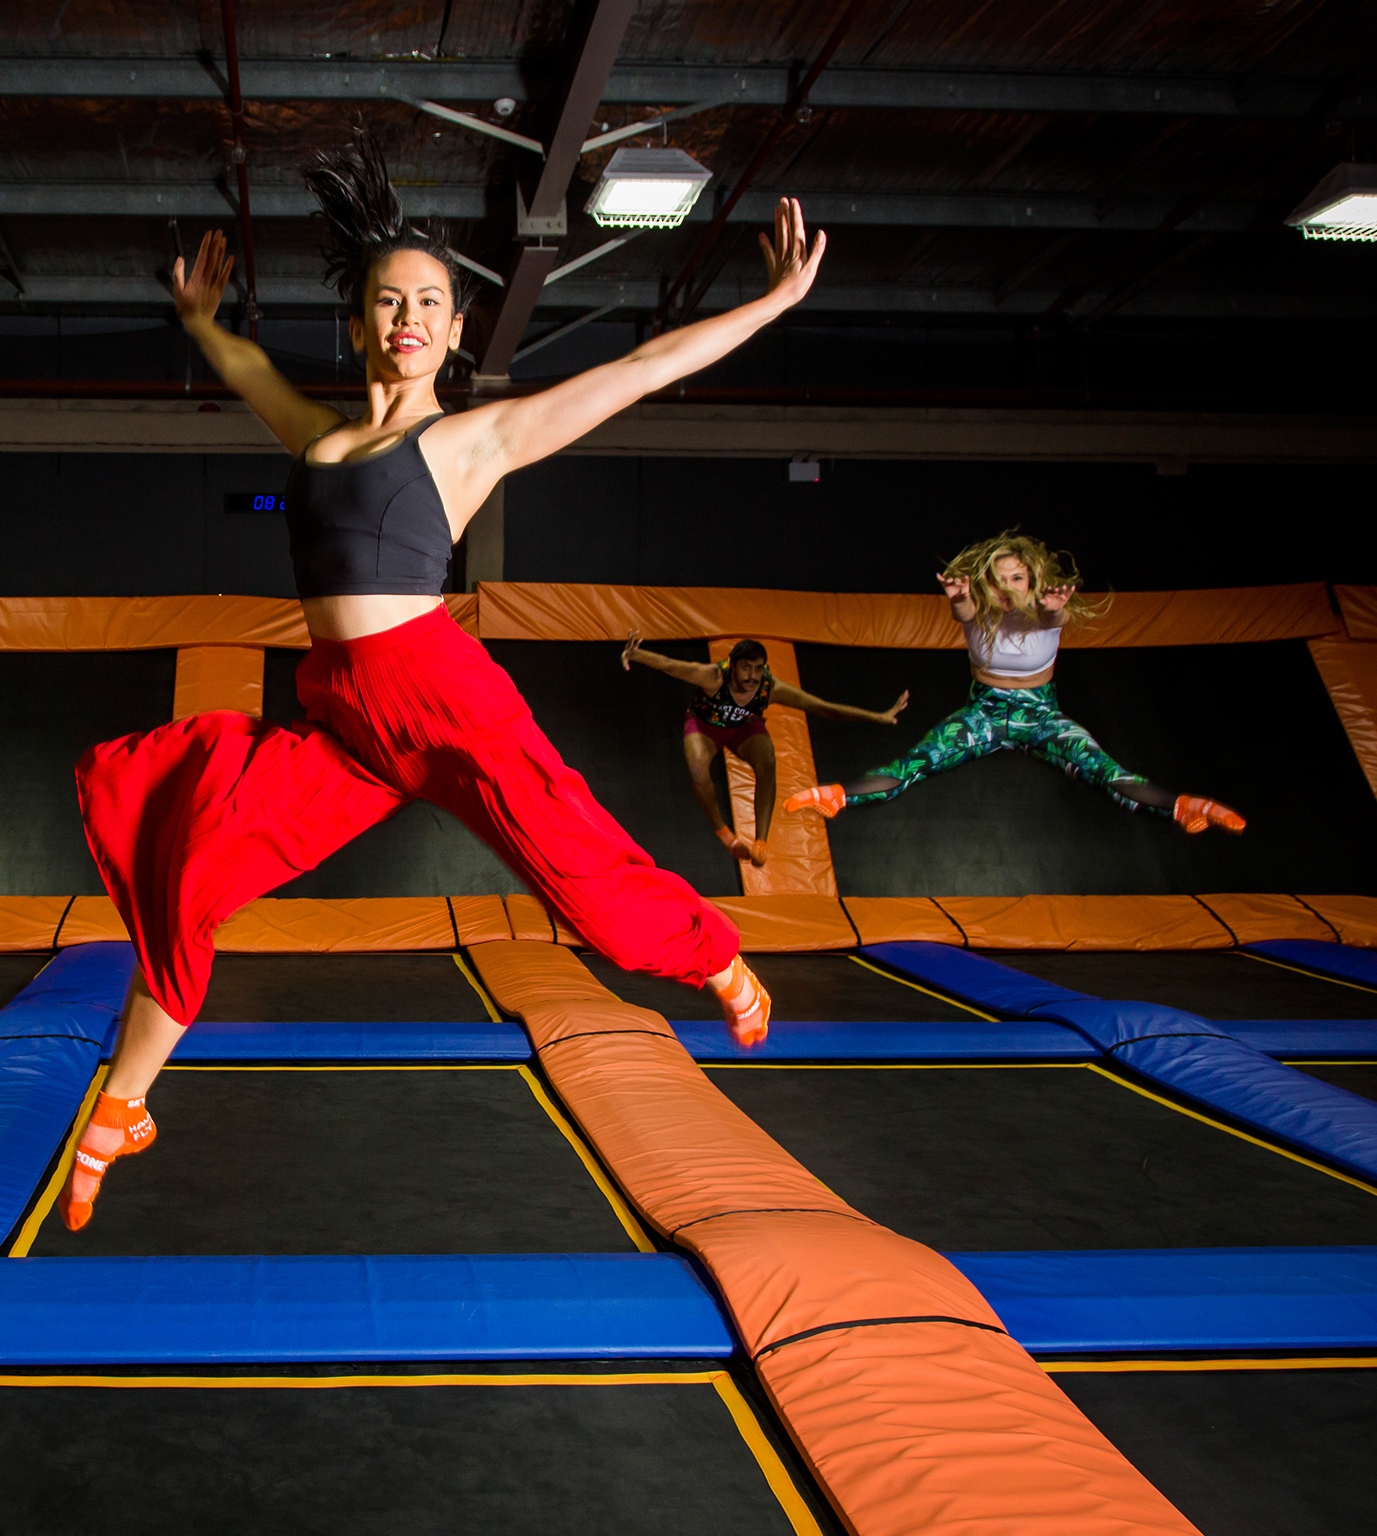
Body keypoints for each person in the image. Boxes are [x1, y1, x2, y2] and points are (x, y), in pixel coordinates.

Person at [63, 130, 830, 1231]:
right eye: (386, 300)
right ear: (359, 320)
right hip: (339, 714)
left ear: (455, 331)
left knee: (580, 879)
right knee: (194, 855)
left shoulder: (471, 442)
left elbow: (637, 370)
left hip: (439, 694)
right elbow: (254, 378)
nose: (407, 317)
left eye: (428, 301)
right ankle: (125, 1105)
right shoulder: (317, 451)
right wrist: (200, 327)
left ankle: (716, 957)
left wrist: (769, 306)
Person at [783, 531, 1245, 834]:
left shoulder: (1044, 615)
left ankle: (1187, 806)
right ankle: (836, 795)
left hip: (1040, 716)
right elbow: (962, 612)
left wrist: (1053, 605)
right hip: (983, 715)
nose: (1007, 588)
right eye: (998, 580)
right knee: (919, 760)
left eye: (1017, 578)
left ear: (1032, 580)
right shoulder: (977, 615)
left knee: (1104, 769)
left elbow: (1052, 614)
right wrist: (960, 599)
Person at [622, 631, 908, 865]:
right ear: (733, 666)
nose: (752, 676)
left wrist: (878, 716)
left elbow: (823, 708)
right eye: (746, 668)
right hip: (705, 725)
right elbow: (671, 665)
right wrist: (636, 654)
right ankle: (723, 832)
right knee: (697, 769)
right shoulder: (713, 677)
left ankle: (761, 841)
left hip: (744, 728)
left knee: (768, 760)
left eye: (758, 668)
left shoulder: (769, 688)